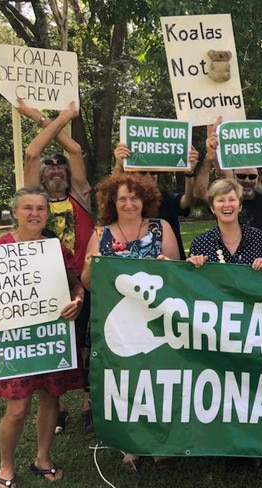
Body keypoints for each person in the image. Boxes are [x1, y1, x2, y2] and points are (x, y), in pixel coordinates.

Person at [80, 172, 179, 472]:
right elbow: (87, 284)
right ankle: (131, 446)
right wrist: (88, 267)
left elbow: (179, 274)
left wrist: (168, 267)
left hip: (155, 322)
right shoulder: (100, 235)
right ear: (113, 201)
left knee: (158, 381)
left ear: (144, 200)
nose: (129, 203)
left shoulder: (161, 228)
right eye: (122, 197)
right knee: (126, 382)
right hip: (118, 324)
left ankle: (160, 443)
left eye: (134, 197)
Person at [0, 187, 86, 488]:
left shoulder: (55, 249)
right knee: (17, 408)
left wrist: (77, 301)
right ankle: (6, 467)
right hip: (13, 340)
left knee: (51, 399)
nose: (35, 214)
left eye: (41, 209)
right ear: (16, 212)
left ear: (48, 213)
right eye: (28, 208)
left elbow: (76, 287)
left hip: (50, 336)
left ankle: (42, 459)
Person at [18, 99, 95, 434]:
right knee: (56, 342)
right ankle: (58, 406)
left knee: (90, 340)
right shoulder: (35, 202)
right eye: (50, 166)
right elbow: (33, 154)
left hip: (86, 280)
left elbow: (75, 150)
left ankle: (90, 403)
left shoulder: (80, 195)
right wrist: (41, 116)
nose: (55, 168)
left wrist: (60, 119)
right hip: (48, 282)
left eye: (60, 165)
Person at [113, 142, 201, 259]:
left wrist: (189, 173)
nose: (150, 176)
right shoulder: (127, 203)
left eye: (154, 172)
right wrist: (119, 164)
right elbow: (111, 194)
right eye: (143, 172)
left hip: (170, 265)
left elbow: (188, 200)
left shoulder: (167, 198)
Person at [187, 178, 262, 269]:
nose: (227, 205)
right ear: (212, 208)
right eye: (221, 200)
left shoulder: (260, 239)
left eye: (232, 200)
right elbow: (191, 279)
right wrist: (192, 266)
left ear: (240, 206)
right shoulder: (200, 243)